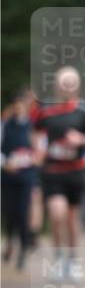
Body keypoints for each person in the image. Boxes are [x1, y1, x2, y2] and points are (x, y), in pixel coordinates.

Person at [32, 66, 85, 278]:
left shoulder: (84, 111)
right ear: (57, 84)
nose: (67, 86)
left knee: (72, 219)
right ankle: (58, 259)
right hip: (53, 171)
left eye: (71, 82)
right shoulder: (45, 111)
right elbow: (35, 133)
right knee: (56, 213)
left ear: (77, 85)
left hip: (76, 172)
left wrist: (81, 139)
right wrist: (39, 149)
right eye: (64, 82)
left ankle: (72, 261)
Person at [1, 91, 38, 269]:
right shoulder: (5, 125)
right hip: (8, 175)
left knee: (23, 212)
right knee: (9, 212)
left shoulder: (33, 127)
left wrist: (30, 159)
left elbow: (39, 150)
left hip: (26, 176)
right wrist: (5, 163)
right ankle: (10, 242)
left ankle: (23, 246)